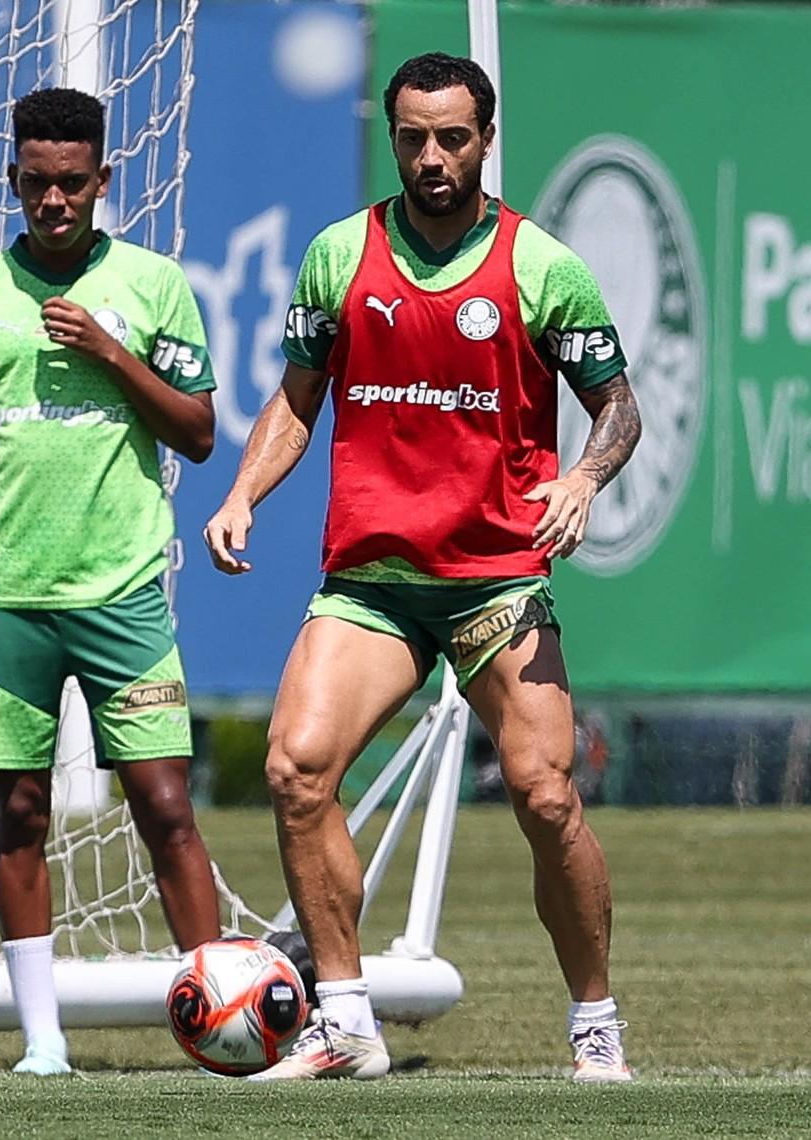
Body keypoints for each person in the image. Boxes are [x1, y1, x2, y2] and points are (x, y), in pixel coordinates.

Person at [204, 52, 641, 1082]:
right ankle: (346, 1019)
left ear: (486, 138)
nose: (432, 156)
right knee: (295, 769)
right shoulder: (338, 257)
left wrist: (583, 478)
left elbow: (618, 404)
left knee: (544, 796)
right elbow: (297, 396)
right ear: (393, 137)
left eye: (453, 137)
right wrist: (240, 493)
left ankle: (594, 1021)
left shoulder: (541, 266)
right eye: (412, 137)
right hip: (375, 580)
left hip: (496, 579)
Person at [0, 88, 221, 1075]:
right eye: (37, 183)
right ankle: (44, 1042)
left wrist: (109, 350)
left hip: (124, 592)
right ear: (14, 180)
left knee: (165, 803)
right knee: (21, 814)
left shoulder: (155, 283)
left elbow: (201, 432)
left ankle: (225, 1022)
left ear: (103, 182)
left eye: (73, 183)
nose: (55, 201)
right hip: (7, 596)